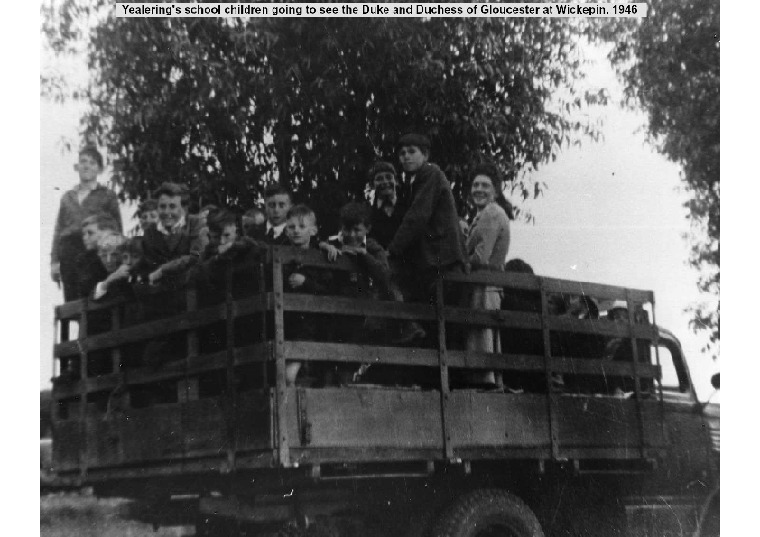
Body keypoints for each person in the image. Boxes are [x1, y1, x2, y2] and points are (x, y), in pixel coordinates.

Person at [387, 133, 465, 309]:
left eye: (412, 151)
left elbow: (417, 217)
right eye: (402, 153)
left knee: (437, 318)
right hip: (434, 261)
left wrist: (392, 250)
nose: (406, 156)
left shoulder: (431, 174)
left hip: (443, 261)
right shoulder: (415, 181)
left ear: (425, 155)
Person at [462, 163, 511, 387]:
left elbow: (481, 257)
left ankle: (484, 383)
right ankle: (486, 381)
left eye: (485, 185)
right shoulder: (482, 215)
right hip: (485, 285)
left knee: (483, 337)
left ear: (496, 191)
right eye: (475, 185)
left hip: (486, 285)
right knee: (483, 337)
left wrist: (458, 262)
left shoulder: (492, 212)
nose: (478, 189)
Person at [51, 146, 122, 301]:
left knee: (94, 297)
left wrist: (117, 254)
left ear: (99, 169)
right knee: (72, 300)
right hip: (68, 252)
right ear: (77, 166)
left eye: (92, 162)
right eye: (83, 161)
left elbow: (117, 227)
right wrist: (55, 262)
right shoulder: (67, 197)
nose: (87, 165)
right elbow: (58, 230)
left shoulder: (107, 196)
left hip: (94, 251)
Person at [282, 205, 332, 385]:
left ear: (313, 230)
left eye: (302, 227)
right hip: (287, 325)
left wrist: (306, 282)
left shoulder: (320, 257)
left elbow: (328, 289)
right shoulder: (281, 256)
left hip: (313, 327)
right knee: (288, 375)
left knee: (292, 375)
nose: (296, 231)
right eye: (291, 227)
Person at [137, 182, 203, 286]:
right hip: (164, 294)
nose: (167, 212)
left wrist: (163, 269)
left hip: (195, 290)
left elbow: (196, 256)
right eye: (162, 206)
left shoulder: (196, 223)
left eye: (172, 206)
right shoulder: (150, 232)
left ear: (182, 208)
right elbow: (147, 263)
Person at [76, 214, 121, 299]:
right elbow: (87, 293)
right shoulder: (85, 260)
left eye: (90, 233)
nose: (84, 238)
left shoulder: (124, 248)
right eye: (83, 234)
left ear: (107, 231)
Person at [368, 161, 407, 250]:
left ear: (396, 181)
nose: (385, 182)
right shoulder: (367, 212)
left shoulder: (409, 205)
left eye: (389, 177)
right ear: (372, 185)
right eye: (379, 179)